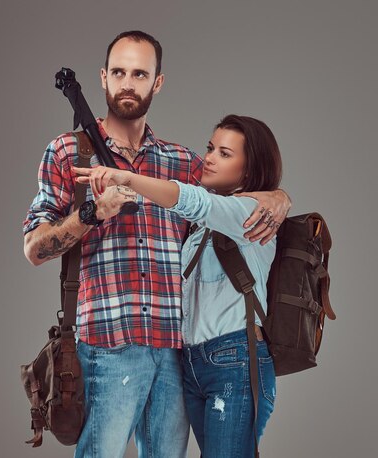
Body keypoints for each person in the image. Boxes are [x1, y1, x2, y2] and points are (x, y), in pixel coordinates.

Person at [23, 30, 290, 458]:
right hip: (107, 346)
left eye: (140, 73)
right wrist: (93, 213)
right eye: (120, 72)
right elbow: (34, 249)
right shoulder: (69, 154)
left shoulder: (183, 163)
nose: (129, 82)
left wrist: (277, 196)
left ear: (157, 82)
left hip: (176, 354)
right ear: (104, 78)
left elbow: (232, 194)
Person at [74, 114, 283, 457]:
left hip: (235, 361)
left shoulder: (250, 212)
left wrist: (128, 177)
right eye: (210, 148)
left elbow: (193, 201)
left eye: (225, 154)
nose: (210, 158)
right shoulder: (205, 225)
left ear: (249, 169)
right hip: (195, 363)